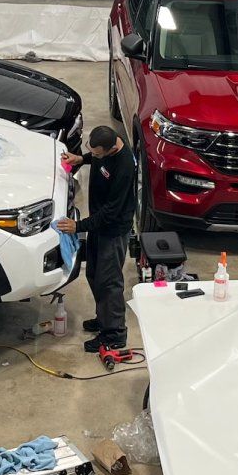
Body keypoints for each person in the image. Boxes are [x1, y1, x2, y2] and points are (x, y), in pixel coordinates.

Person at [55, 125, 137, 354]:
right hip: (99, 226)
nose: (96, 155)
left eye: (98, 153)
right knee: (93, 273)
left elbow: (111, 212)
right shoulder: (108, 145)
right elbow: (96, 156)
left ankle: (114, 333)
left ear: (111, 149)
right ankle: (103, 320)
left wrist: (78, 227)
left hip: (113, 229)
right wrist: (81, 158)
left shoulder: (125, 167)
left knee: (109, 282)